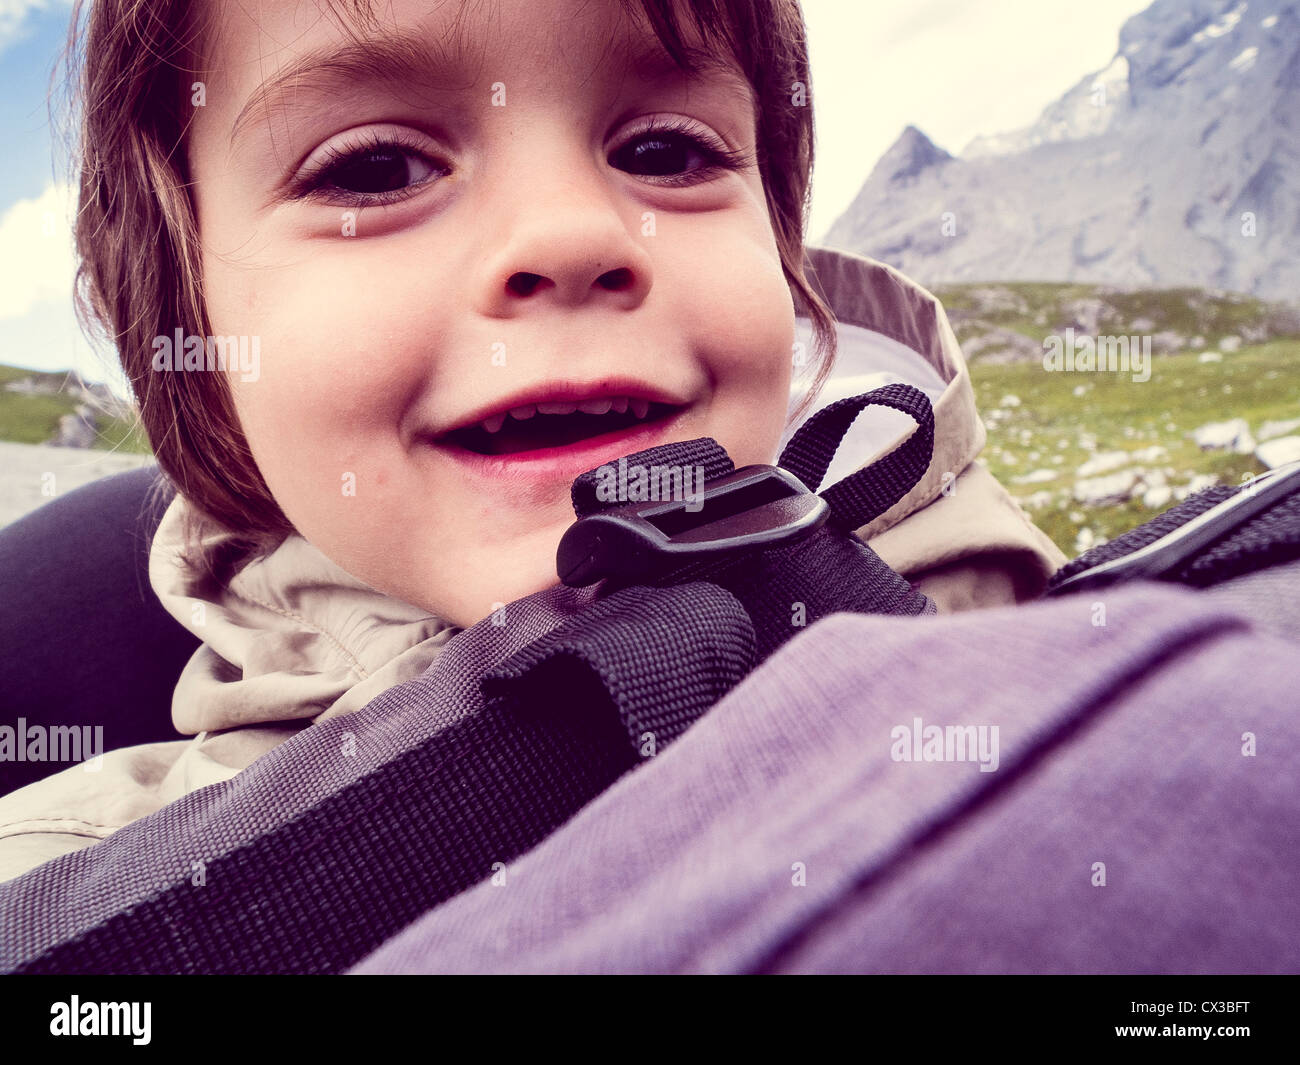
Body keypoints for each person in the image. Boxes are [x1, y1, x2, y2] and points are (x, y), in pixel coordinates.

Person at [0, 0, 1062, 882]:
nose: (571, 232)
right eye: (373, 171)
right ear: (186, 318)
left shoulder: (1048, 641)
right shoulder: (88, 887)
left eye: (665, 151)